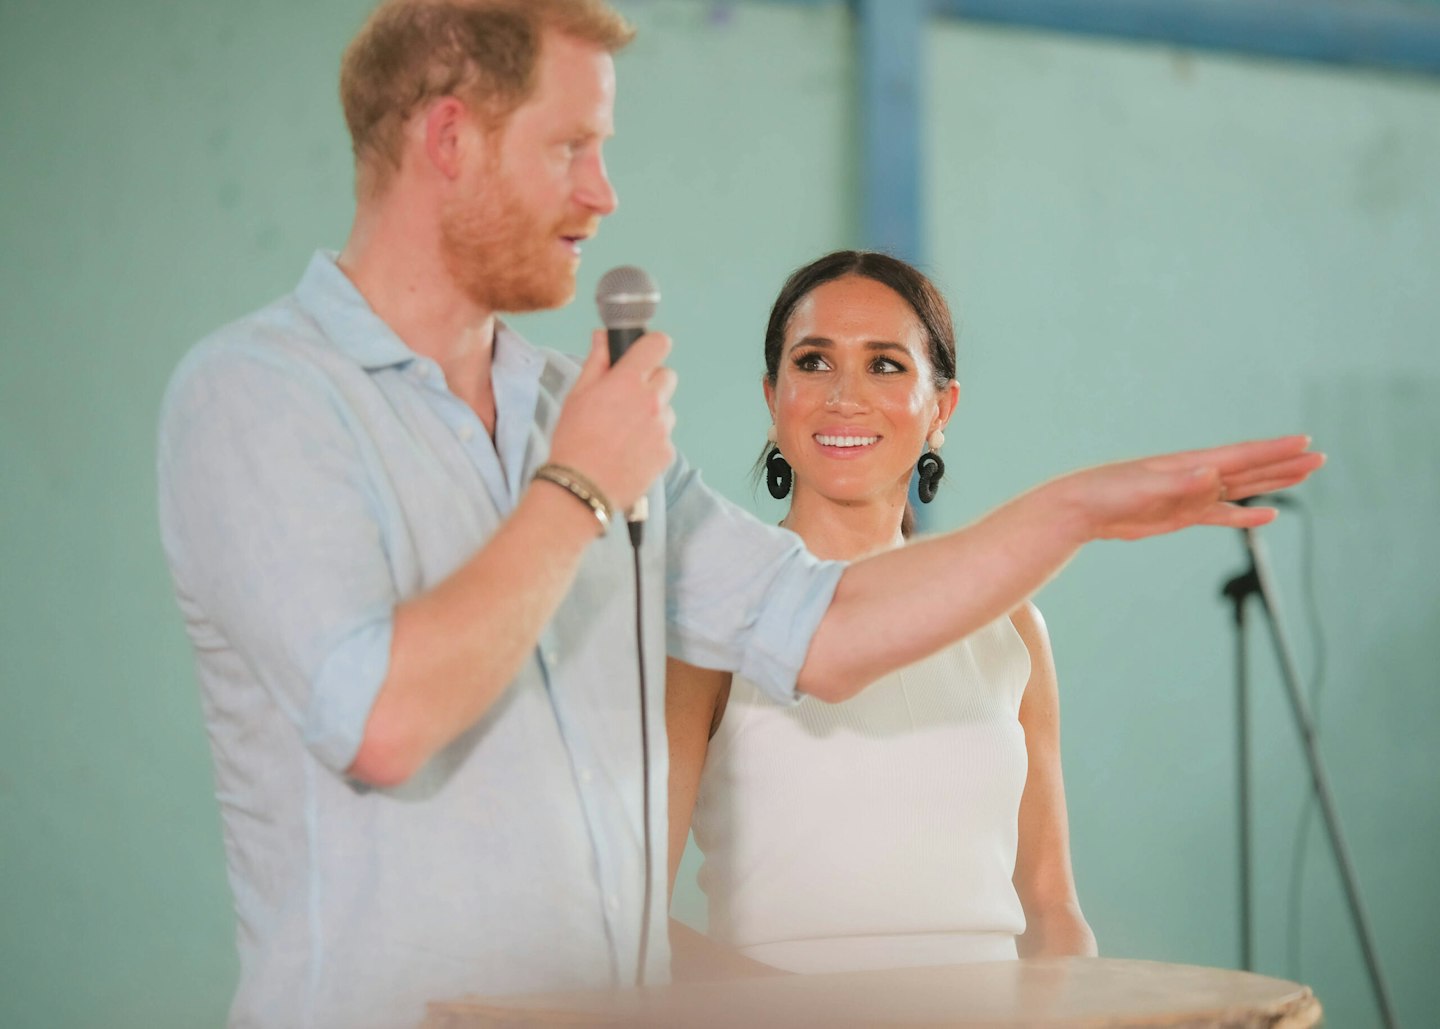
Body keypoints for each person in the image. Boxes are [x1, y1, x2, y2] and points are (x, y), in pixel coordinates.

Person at [155, 1, 1322, 1025]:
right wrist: (577, 489)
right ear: (450, 138)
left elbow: (822, 630)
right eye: (572, 146)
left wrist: (1075, 511)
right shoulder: (259, 394)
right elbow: (381, 721)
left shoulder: (579, 404)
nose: (603, 193)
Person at [667, 251, 1096, 979]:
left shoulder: (1013, 626)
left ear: (942, 408)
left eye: (886, 365)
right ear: (774, 397)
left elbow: (1052, 906)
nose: (844, 396)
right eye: (813, 362)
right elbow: (624, 910)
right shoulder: (712, 616)